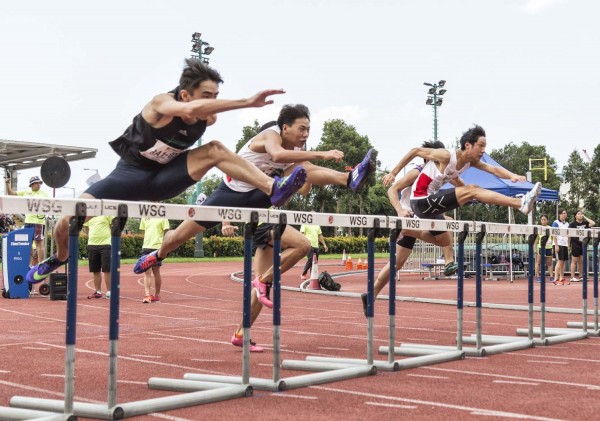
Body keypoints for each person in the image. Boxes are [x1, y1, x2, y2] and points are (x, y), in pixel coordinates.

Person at [26, 58, 307, 285]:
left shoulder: (208, 117)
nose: (211, 103)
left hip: (166, 178)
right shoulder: (160, 104)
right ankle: (59, 258)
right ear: (185, 94)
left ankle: (273, 188)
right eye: (207, 95)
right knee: (66, 221)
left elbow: (202, 111)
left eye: (216, 96)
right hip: (129, 176)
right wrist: (247, 101)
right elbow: (195, 107)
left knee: (216, 149)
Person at [134, 104, 376, 314]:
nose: (305, 134)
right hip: (231, 195)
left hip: (262, 196)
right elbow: (278, 155)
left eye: (309, 130)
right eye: (301, 129)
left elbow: (305, 187)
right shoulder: (270, 135)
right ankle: (157, 255)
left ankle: (348, 179)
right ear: (285, 128)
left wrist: (304, 179)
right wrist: (325, 154)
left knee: (302, 168)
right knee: (178, 237)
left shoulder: (299, 151)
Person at [361, 140, 457, 316]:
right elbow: (392, 190)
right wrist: (399, 211)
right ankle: (448, 259)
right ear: (431, 157)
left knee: (397, 263)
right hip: (410, 215)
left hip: (420, 216)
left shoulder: (439, 173)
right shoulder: (418, 171)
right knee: (445, 228)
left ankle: (371, 293)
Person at [382, 125, 542, 223]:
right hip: (419, 202)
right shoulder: (445, 156)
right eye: (481, 145)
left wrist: (512, 175)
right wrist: (393, 173)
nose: (483, 150)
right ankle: (520, 203)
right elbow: (415, 151)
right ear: (468, 145)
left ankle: (449, 261)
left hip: (428, 203)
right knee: (472, 189)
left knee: (449, 226)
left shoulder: (468, 163)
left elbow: (493, 169)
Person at [5, 174, 49, 266]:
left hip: (38, 222)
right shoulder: (25, 192)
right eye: (36, 183)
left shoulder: (44, 194)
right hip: (28, 221)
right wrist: (7, 183)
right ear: (31, 185)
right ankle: (28, 265)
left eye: (39, 183)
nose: (38, 184)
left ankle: (41, 265)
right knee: (27, 244)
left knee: (39, 244)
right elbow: (11, 194)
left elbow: (48, 206)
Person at [139, 217, 170, 303]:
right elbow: (144, 231)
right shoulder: (144, 217)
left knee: (156, 271)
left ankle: (157, 295)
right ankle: (147, 295)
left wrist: (165, 247)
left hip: (157, 248)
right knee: (147, 272)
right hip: (146, 247)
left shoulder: (163, 217)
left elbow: (166, 233)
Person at [83, 216, 114, 299]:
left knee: (106, 269)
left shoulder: (107, 213)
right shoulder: (89, 215)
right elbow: (85, 227)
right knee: (95, 270)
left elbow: (113, 226)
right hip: (92, 245)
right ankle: (98, 291)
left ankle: (109, 292)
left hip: (105, 245)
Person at [568, 210, 596, 283]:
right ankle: (572, 277)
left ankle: (581, 276)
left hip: (583, 244)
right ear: (575, 216)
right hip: (575, 244)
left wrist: (585, 217)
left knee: (581, 261)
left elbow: (593, 223)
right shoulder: (572, 224)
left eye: (581, 214)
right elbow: (569, 236)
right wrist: (569, 245)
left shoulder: (585, 223)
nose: (580, 215)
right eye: (578, 214)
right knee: (574, 261)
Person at [534, 214, 554, 283]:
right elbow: (536, 239)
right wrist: (535, 248)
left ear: (547, 220)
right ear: (540, 220)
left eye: (545, 219)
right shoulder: (538, 228)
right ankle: (538, 276)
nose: (543, 221)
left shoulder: (550, 228)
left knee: (549, 263)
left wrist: (553, 247)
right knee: (538, 262)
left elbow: (553, 238)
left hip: (549, 247)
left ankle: (551, 276)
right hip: (540, 247)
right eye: (542, 220)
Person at [551, 209, 570, 285]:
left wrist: (568, 245)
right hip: (558, 244)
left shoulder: (567, 224)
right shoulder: (556, 223)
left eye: (565, 213)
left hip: (565, 244)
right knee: (559, 261)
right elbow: (554, 234)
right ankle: (555, 279)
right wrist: (556, 245)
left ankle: (561, 278)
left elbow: (568, 235)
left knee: (563, 262)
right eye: (563, 213)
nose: (564, 214)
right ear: (560, 214)